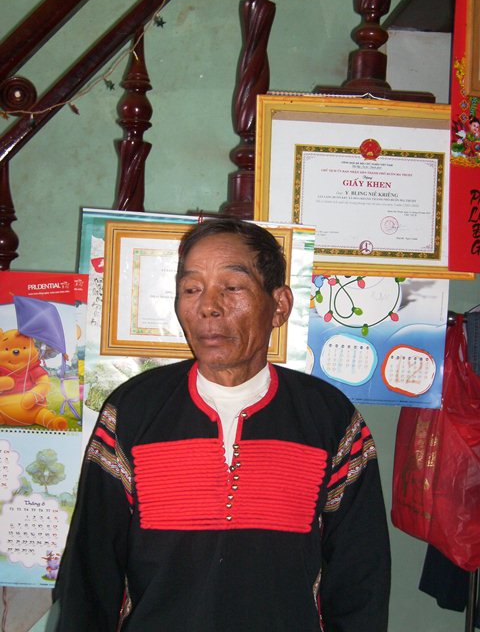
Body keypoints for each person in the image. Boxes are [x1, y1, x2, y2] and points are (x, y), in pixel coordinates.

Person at [53, 217, 390, 631]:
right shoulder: (133, 411)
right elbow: (89, 570)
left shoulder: (329, 418)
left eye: (232, 288)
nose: (208, 306)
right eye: (191, 289)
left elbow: (361, 577)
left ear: (279, 305)